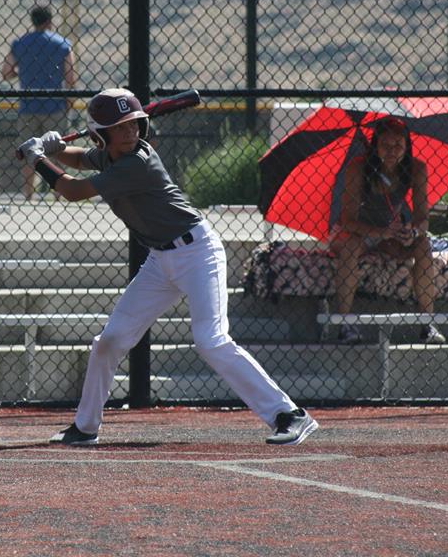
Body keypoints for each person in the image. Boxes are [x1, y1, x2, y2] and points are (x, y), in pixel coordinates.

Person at [16, 88, 318, 446]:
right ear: (102, 134)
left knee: (211, 341)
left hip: (197, 253)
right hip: (161, 260)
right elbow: (83, 159)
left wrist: (38, 159)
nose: (130, 131)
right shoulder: (112, 157)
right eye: (121, 126)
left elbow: (73, 190)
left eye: (134, 124)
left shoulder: (138, 162)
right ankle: (85, 427)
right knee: (109, 341)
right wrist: (56, 149)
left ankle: (289, 415)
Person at [330, 116, 447, 345]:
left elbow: (423, 218)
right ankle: (345, 324)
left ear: (407, 146)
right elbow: (347, 220)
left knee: (423, 245)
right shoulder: (359, 167)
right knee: (352, 244)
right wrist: (378, 233)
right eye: (385, 145)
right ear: (376, 145)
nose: (392, 151)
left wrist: (411, 232)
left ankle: (428, 324)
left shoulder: (416, 168)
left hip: (392, 232)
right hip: (360, 232)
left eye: (398, 146)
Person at [0, 5, 77, 198]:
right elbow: (71, 78)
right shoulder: (62, 44)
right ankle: (59, 193)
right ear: (50, 21)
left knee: (29, 150)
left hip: (28, 105)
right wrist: (70, 102)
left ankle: (29, 194)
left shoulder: (20, 44)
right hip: (55, 104)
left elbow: (6, 72)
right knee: (58, 150)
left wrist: (24, 74)